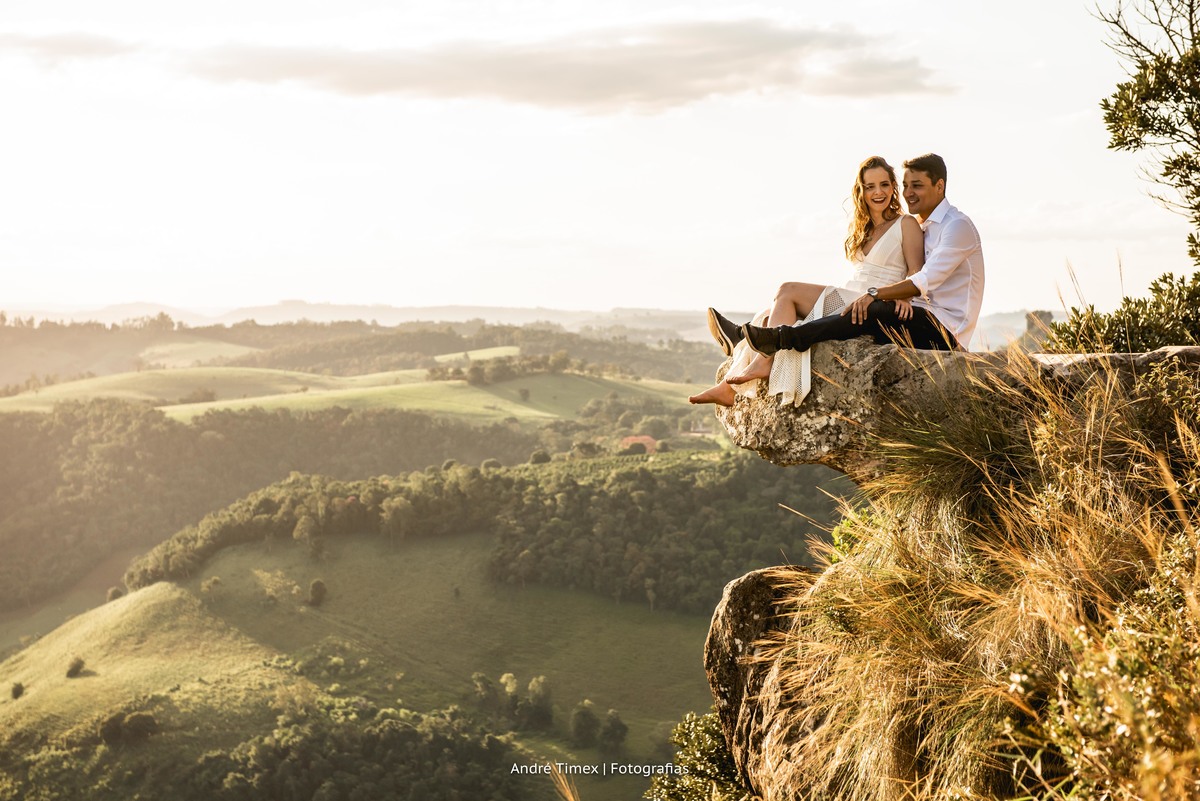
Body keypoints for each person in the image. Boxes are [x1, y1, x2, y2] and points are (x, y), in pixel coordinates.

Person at [689, 155, 924, 407]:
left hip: (872, 303)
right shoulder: (862, 229)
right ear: (861, 191)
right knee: (769, 315)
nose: (878, 192)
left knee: (787, 290)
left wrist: (902, 296)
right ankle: (728, 388)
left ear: (893, 187)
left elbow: (917, 272)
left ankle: (762, 359)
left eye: (884, 184)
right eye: (870, 186)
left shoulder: (906, 223)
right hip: (850, 295)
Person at [739, 153, 984, 361]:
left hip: (945, 329)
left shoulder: (957, 226)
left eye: (917, 185)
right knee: (863, 311)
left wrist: (876, 293)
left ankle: (787, 337)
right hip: (914, 316)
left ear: (939, 186)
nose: (908, 193)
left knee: (872, 309)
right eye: (906, 185)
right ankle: (750, 338)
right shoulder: (923, 225)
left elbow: (924, 278)